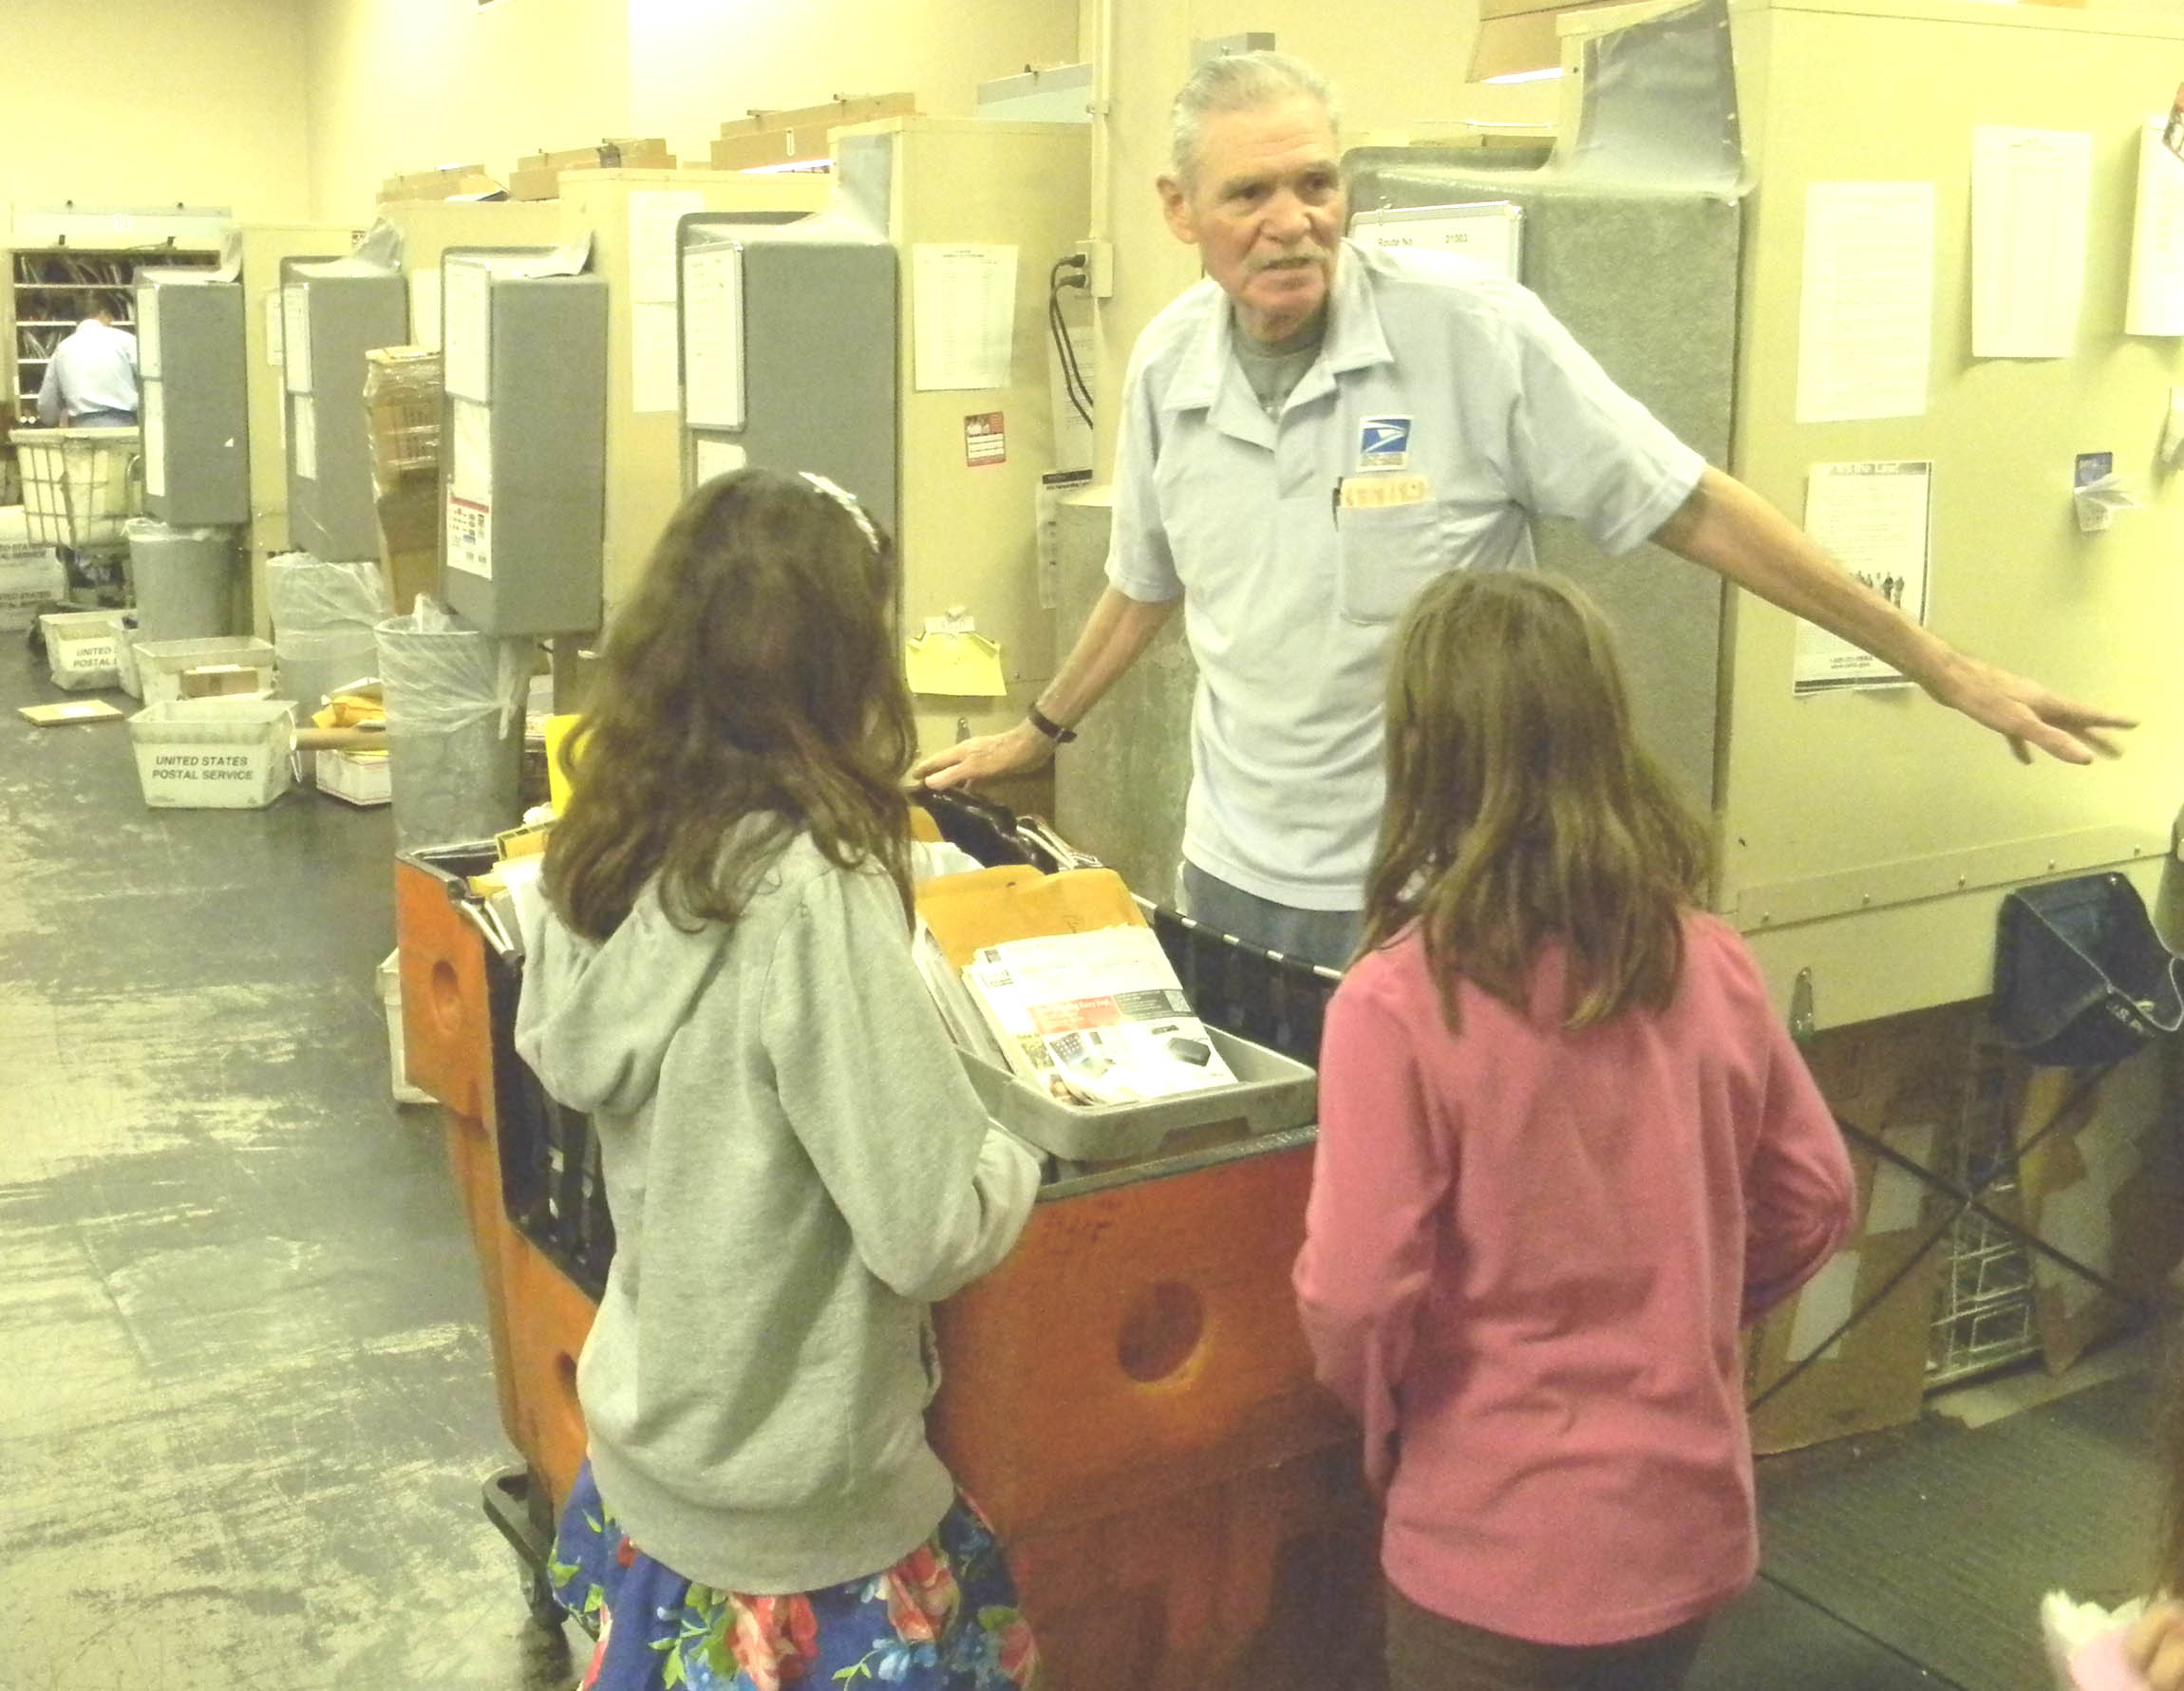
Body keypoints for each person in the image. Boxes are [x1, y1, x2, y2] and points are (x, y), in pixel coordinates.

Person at [913, 51, 2133, 968]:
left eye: (1315, 183)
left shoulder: (1469, 334)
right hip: (1236, 873)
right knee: (1284, 1205)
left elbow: (1689, 505)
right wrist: (1044, 732)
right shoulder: (1172, 364)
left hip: (1448, 886)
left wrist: (1936, 662)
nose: (1291, 222)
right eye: (1248, 196)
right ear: (1180, 212)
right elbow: (1146, 578)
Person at [516, 467, 1045, 1691]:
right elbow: (924, 1225)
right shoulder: (816, 888)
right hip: (805, 1517)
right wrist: (1013, 1140)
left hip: (655, 1461)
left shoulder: (595, 846)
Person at [1292, 571, 1858, 1690]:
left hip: (1492, 1539)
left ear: (1420, 749)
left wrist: (1386, 1429)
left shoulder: (1396, 1003)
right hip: (1684, 1522)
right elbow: (1817, 1195)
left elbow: (1354, 1294)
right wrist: (1691, 1315)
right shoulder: (1707, 955)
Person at [35, 301, 138, 427]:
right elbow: (149, 383)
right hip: (125, 427)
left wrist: (54, 420)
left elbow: (47, 406)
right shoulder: (126, 341)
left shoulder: (62, 349)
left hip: (82, 431)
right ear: (104, 314)